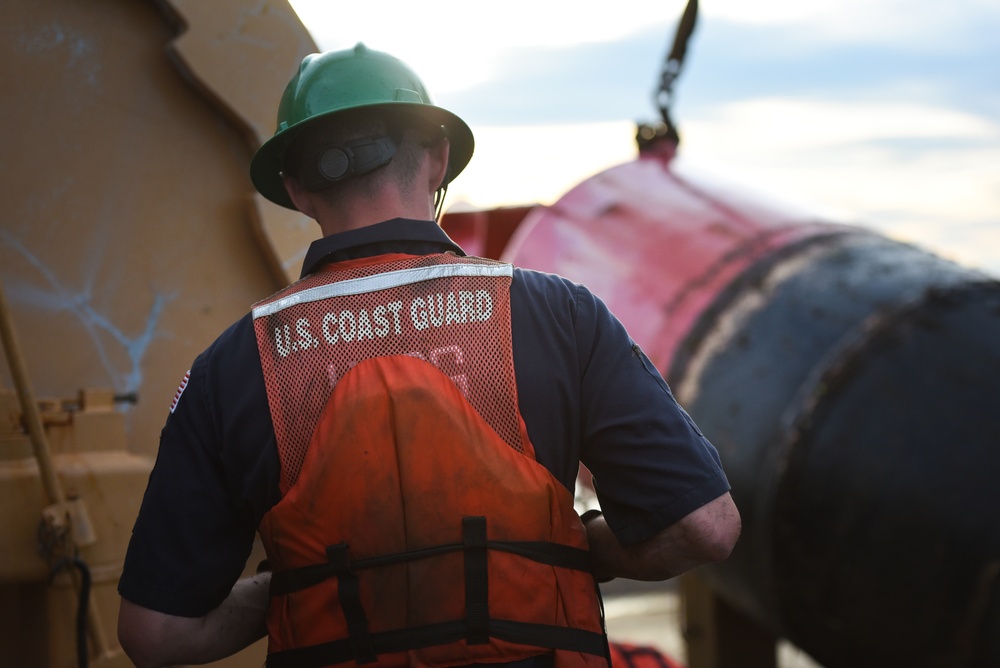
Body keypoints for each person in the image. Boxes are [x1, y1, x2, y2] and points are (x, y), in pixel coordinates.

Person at [116, 43, 740, 668]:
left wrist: (296, 583)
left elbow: (156, 635)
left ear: (296, 190)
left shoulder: (234, 366)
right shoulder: (557, 314)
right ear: (440, 160)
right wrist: (578, 548)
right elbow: (703, 527)